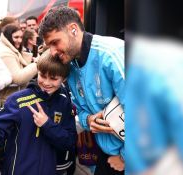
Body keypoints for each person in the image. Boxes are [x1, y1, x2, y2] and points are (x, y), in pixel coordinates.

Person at [39, 6, 125, 174]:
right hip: (106, 154)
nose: (52, 52)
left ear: (73, 30)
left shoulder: (111, 54)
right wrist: (89, 120)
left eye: (55, 42)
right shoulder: (70, 65)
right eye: (49, 46)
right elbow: (79, 110)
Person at [0, 52, 77, 175]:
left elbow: (70, 141)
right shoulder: (18, 100)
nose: (47, 82)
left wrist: (47, 125)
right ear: (37, 71)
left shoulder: (64, 102)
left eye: (53, 78)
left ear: (64, 79)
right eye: (42, 76)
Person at [0, 24, 37, 102]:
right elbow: (18, 78)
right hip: (7, 100)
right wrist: (37, 64)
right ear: (8, 37)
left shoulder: (8, 48)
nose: (20, 40)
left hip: (11, 98)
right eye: (16, 37)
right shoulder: (5, 53)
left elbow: (18, 58)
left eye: (21, 37)